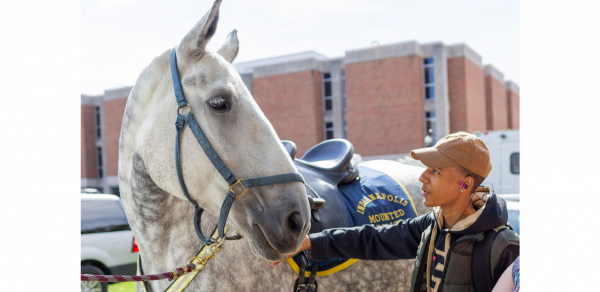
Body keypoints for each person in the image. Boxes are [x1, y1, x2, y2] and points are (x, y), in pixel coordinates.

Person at [271, 132, 520, 292]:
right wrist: (308, 242)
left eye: (435, 171)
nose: (422, 177)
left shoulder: (503, 248)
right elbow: (373, 239)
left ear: (465, 184)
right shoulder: (431, 227)